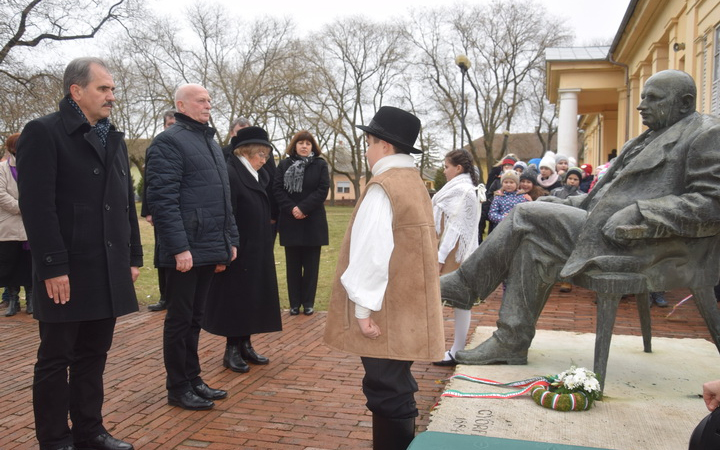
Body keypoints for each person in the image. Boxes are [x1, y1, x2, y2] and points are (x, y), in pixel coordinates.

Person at [440, 70, 720, 366]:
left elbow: (710, 203)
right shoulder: (645, 139)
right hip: (604, 230)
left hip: (645, 243)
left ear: (685, 103)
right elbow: (600, 197)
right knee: (532, 243)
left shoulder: (706, 134)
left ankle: (465, 285)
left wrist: (641, 212)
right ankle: (511, 341)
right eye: (642, 98)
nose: (641, 106)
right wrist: (559, 202)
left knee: (525, 212)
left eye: (653, 98)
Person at [16, 57, 142, 450]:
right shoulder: (43, 132)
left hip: (106, 266)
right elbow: (37, 206)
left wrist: (132, 256)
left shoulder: (113, 138)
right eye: (104, 89)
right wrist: (53, 266)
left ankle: (91, 431)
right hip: (66, 269)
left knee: (94, 354)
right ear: (76, 90)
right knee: (56, 357)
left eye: (113, 89)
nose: (111, 96)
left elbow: (125, 203)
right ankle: (54, 439)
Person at [324, 106, 445, 449]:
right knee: (395, 383)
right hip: (405, 306)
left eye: (369, 142)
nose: (366, 149)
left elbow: (372, 253)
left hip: (385, 309)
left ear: (385, 146)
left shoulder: (384, 186)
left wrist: (362, 312)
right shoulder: (413, 182)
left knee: (385, 387)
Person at [145, 83, 239, 411]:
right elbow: (163, 200)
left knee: (196, 317)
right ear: (182, 106)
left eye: (210, 100)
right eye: (201, 100)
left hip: (210, 244)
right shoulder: (168, 143)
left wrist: (231, 239)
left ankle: (194, 378)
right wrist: (178, 248)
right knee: (180, 319)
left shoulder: (210, 142)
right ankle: (178, 386)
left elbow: (223, 198)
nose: (208, 105)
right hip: (185, 251)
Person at [204, 126, 282, 373]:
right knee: (235, 300)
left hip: (257, 247)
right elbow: (225, 214)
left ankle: (245, 344)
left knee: (252, 298)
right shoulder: (231, 174)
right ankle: (232, 350)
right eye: (262, 155)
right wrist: (227, 246)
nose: (265, 160)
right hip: (239, 249)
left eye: (267, 155)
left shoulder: (256, 174)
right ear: (247, 152)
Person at [432, 149, 481, 366]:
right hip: (450, 248)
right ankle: (449, 347)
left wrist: (441, 257)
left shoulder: (463, 191)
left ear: (458, 168)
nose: (444, 170)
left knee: (458, 299)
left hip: (455, 251)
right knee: (455, 299)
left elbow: (455, 228)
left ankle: (456, 349)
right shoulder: (460, 188)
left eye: (446, 166)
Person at [273, 130, 329, 316]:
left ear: (312, 146)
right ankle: (294, 304)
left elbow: (322, 190)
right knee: (293, 266)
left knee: (311, 267)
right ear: (294, 146)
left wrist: (304, 208)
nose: (304, 146)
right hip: (291, 221)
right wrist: (293, 209)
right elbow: (278, 189)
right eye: (301, 143)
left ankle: (309, 303)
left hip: (313, 221)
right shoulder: (284, 164)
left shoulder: (320, 165)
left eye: (308, 143)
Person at [143, 110, 176, 312]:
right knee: (161, 255)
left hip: (181, 211)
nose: (172, 127)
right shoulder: (156, 146)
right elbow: (149, 182)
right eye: (169, 124)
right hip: (161, 212)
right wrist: (148, 211)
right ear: (164, 125)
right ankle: (165, 297)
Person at [0, 133, 32, 316]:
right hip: (9, 226)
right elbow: (1, 194)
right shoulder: (3, 168)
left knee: (29, 265)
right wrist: (22, 207)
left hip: (30, 226)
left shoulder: (34, 167)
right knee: (10, 264)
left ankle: (31, 299)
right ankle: (12, 300)